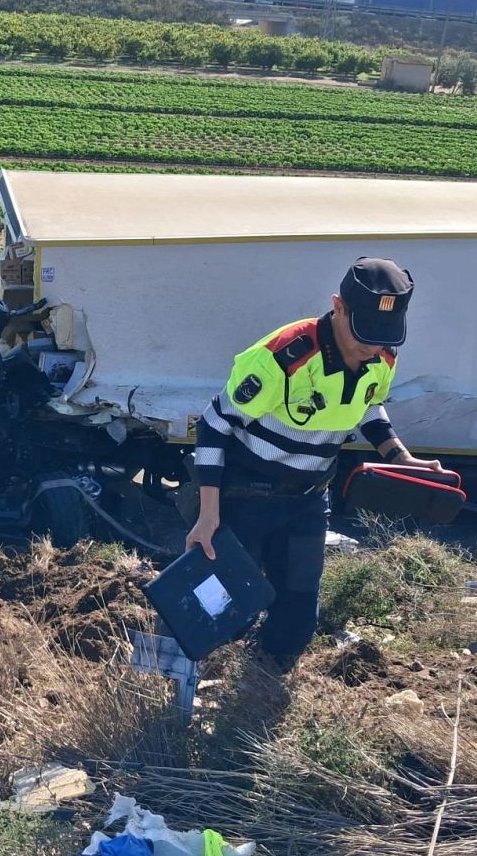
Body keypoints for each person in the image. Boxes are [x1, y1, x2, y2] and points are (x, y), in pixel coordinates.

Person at [184, 257, 443, 669]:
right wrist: (209, 515)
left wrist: (402, 458)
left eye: (383, 337)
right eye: (364, 334)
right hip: (244, 496)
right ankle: (188, 679)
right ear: (338, 306)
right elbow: (214, 427)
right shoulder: (282, 356)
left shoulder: (383, 354)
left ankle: (265, 686)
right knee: (224, 604)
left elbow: (368, 405)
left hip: (307, 500)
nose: (373, 347)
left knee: (298, 611)